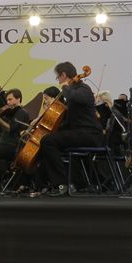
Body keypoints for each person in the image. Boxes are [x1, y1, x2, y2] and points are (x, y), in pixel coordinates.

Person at [35, 62, 103, 196]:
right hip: (78, 134)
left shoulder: (84, 89)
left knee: (48, 141)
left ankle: (62, 184)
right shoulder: (72, 92)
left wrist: (65, 87)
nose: (58, 81)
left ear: (63, 75)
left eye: (58, 78)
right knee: (46, 142)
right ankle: (49, 184)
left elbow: (74, 96)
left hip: (90, 134)